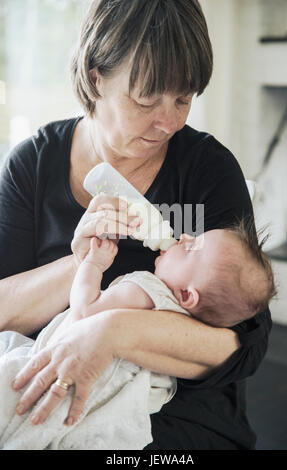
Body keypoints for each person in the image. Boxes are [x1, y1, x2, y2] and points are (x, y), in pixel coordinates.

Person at [0, 0, 273, 449]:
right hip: (42, 379)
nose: (169, 121)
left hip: (177, 409)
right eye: (146, 99)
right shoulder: (32, 165)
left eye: (184, 99)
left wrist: (113, 332)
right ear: (96, 78)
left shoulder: (207, 169)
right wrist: (80, 264)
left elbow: (246, 345)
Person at [0, 222, 275, 449]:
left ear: (187, 295)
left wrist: (92, 265)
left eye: (191, 247)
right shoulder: (180, 319)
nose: (184, 237)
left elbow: (84, 314)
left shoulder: (144, 289)